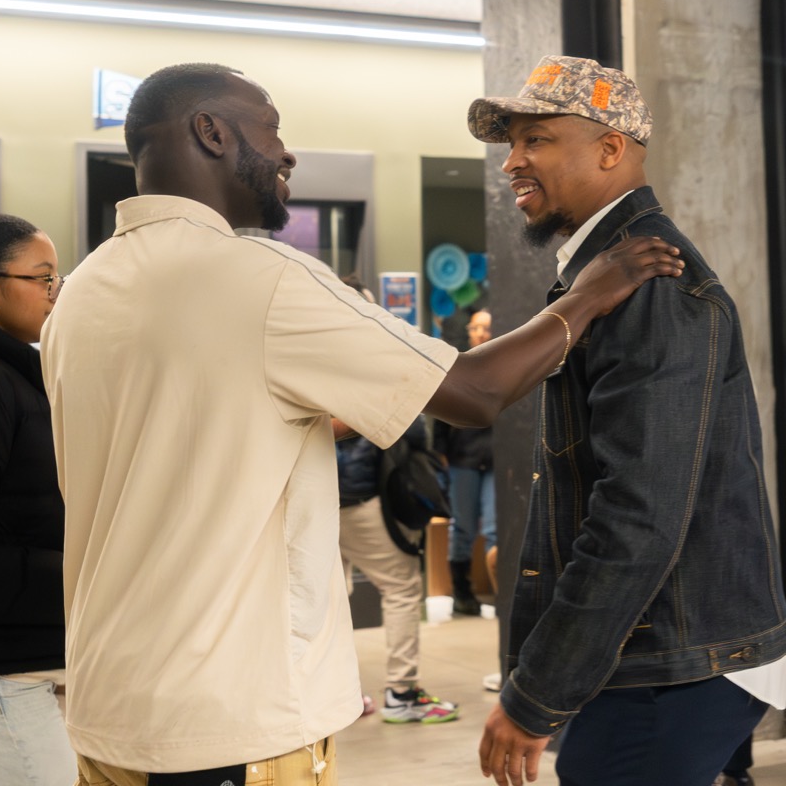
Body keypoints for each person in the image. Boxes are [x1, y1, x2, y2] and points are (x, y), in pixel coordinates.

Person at [40, 61, 683, 786]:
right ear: (211, 133)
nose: (285, 153)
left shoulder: (83, 291)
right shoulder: (263, 278)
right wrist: (589, 294)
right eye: (271, 129)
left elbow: (188, 443)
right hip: (232, 718)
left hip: (109, 710)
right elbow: (473, 391)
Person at [469, 55, 786, 786]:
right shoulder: (605, 275)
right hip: (656, 658)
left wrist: (536, 693)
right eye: (511, 144)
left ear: (611, 149)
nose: (512, 162)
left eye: (536, 139)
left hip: (669, 667)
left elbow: (638, 516)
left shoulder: (651, 286)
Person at [335, 273, 458, 725]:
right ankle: (401, 694)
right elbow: (409, 424)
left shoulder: (309, 354)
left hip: (317, 497)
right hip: (363, 495)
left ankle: (337, 696)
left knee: (328, 598)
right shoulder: (369, 359)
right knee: (403, 588)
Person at [0, 213, 74, 786]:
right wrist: (76, 577)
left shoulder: (19, 372)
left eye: (57, 278)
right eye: (42, 277)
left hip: (20, 660)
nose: (55, 291)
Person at [433, 309, 497, 616]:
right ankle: (461, 593)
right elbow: (441, 414)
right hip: (462, 458)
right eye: (475, 328)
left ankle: (501, 594)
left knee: (496, 527)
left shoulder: (505, 362)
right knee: (462, 527)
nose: (481, 333)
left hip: (497, 459)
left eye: (486, 327)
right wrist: (440, 453)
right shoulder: (455, 364)